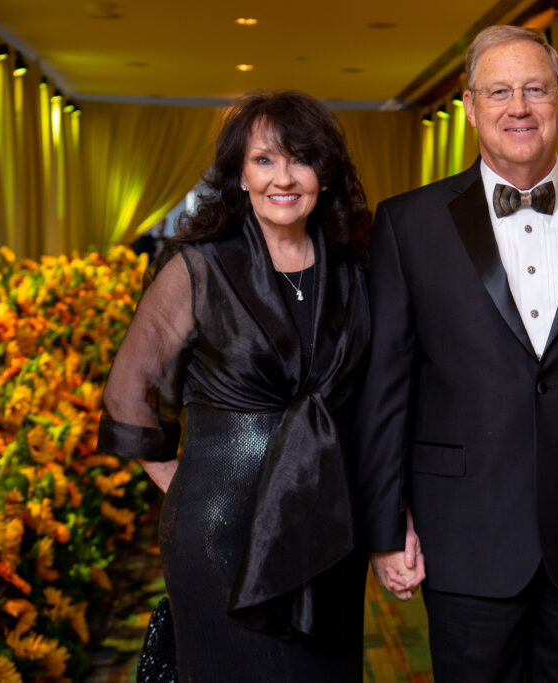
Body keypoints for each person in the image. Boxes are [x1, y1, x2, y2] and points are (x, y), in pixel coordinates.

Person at [355, 25, 558, 682]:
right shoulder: (406, 224)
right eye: (500, 91)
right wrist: (386, 524)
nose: (519, 107)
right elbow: (386, 392)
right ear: (472, 106)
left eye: (535, 89)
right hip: (464, 535)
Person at [97, 90, 372, 681]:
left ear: (323, 172)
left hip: (326, 528)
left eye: (300, 159)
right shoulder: (197, 266)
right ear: (239, 175)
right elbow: (128, 391)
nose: (284, 178)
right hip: (218, 528)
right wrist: (183, 481)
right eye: (264, 160)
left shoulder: (355, 269)